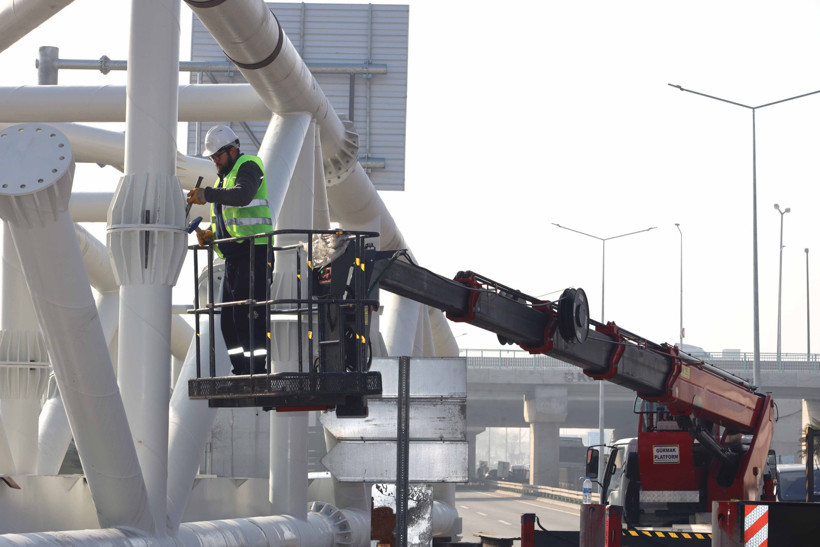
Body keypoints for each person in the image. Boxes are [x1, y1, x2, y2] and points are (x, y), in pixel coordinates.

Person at [187, 124, 273, 375]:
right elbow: (229, 221)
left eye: (217, 155)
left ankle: (256, 370)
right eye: (212, 157)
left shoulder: (249, 166)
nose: (214, 161)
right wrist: (211, 235)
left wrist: (207, 194)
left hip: (255, 252)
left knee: (250, 315)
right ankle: (241, 369)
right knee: (229, 320)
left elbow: (242, 196)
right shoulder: (224, 179)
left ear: (232, 150)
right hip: (235, 255)